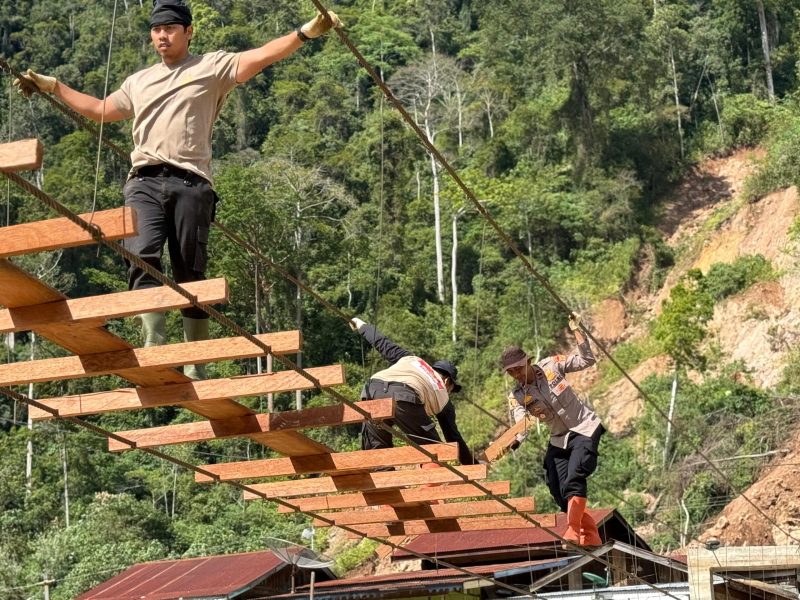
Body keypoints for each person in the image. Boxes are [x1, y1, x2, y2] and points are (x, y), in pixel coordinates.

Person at [13, 0, 341, 378]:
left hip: (191, 183)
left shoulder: (212, 67)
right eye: (156, 30)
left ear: (188, 32)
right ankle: (154, 344)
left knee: (190, 270)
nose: (162, 36)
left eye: (170, 28)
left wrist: (305, 33)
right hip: (144, 181)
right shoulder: (139, 81)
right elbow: (102, 109)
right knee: (142, 255)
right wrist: (53, 86)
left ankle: (195, 360)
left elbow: (263, 56)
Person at [500, 314, 603, 546]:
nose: (516, 374)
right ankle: (590, 532)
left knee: (576, 475)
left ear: (527, 361)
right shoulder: (517, 396)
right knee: (557, 488)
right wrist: (514, 440)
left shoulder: (552, 366)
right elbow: (521, 423)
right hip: (559, 439)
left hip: (583, 429)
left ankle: (573, 532)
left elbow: (587, 360)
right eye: (511, 372)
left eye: (518, 368)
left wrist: (577, 331)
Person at [351, 318, 476, 466]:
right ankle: (430, 486)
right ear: (448, 382)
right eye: (451, 390)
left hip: (371, 391)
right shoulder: (442, 394)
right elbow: (453, 438)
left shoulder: (412, 360)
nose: (449, 394)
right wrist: (473, 466)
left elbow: (382, 343)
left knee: (377, 453)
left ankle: (383, 486)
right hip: (404, 396)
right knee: (433, 452)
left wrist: (361, 325)